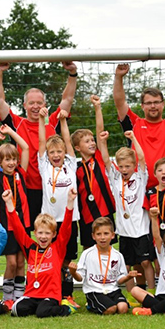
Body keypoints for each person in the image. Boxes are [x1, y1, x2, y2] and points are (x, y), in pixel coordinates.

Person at [0, 62, 78, 227]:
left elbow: (67, 99)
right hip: (25, 189)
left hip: (52, 188)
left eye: (39, 103)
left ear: (45, 105)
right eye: (31, 103)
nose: (35, 106)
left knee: (51, 233)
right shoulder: (16, 123)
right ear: (24, 105)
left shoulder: (52, 122)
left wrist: (72, 74)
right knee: (26, 235)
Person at [5, 188, 79, 318]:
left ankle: (66, 308)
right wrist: (9, 203)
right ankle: (37, 306)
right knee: (17, 311)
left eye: (47, 233)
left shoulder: (58, 247)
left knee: (42, 313)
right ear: (35, 233)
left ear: (54, 234)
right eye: (40, 233)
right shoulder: (30, 247)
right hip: (32, 294)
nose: (43, 237)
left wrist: (70, 202)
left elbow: (66, 227)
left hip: (50, 295)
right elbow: (18, 229)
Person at [101, 127, 155, 291]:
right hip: (124, 230)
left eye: (128, 166)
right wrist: (103, 142)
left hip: (141, 228)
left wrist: (133, 138)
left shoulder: (140, 177)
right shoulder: (116, 178)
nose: (124, 170)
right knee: (126, 264)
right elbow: (105, 160)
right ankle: (133, 294)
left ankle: (151, 292)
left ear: (134, 165)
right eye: (121, 166)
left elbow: (142, 157)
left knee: (145, 262)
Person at [0, 124, 30, 307]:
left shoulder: (21, 174)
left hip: (23, 225)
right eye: (6, 160)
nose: (11, 163)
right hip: (6, 227)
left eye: (13, 159)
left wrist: (10, 132)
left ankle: (19, 296)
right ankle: (8, 297)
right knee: (10, 262)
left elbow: (25, 147)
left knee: (20, 262)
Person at [38, 107, 80, 307]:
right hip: (50, 221)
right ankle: (52, 292)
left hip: (70, 220)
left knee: (67, 259)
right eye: (52, 152)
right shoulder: (44, 166)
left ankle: (68, 294)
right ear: (47, 154)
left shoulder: (70, 165)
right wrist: (42, 119)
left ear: (64, 153)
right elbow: (40, 142)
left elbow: (69, 141)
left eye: (59, 151)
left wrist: (63, 121)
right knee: (52, 258)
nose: (56, 155)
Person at [71, 95, 116, 250]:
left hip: (104, 211)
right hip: (86, 215)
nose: (92, 143)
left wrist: (97, 108)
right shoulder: (75, 167)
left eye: (92, 140)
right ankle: (89, 274)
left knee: (107, 246)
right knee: (89, 248)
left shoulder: (98, 158)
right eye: (87, 141)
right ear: (77, 148)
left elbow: (100, 132)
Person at [68, 217, 138, 315]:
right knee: (111, 309)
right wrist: (73, 272)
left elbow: (119, 279)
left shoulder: (117, 255)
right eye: (98, 234)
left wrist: (128, 276)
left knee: (123, 309)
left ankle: (106, 303)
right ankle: (91, 304)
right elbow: (80, 278)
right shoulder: (87, 254)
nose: (102, 237)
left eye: (106, 233)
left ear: (112, 235)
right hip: (94, 291)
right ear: (93, 236)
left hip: (113, 290)